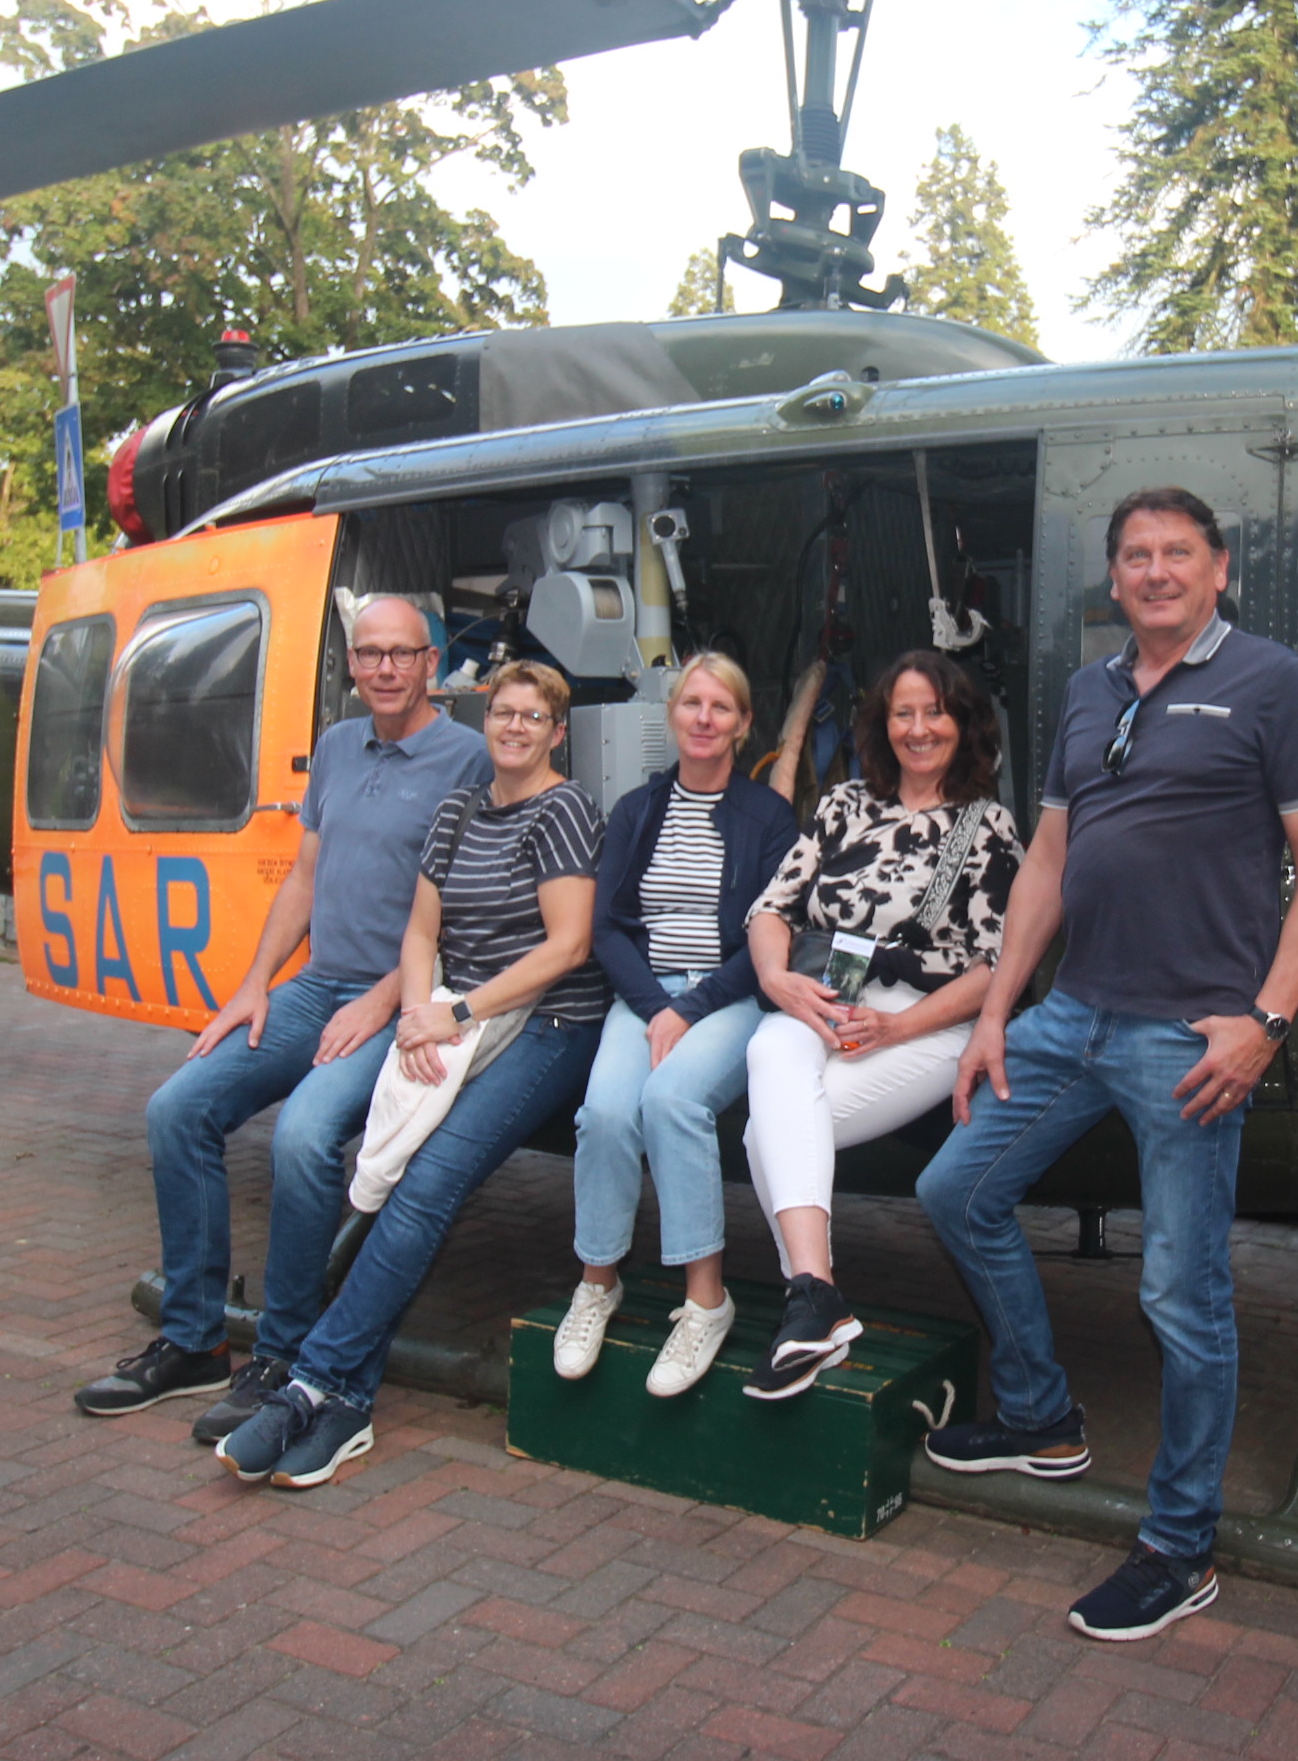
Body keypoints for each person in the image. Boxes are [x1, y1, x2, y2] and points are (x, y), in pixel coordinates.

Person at [915, 489, 1298, 1644]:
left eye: (1178, 554)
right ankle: (1040, 1417)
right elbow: (1049, 859)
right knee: (956, 1191)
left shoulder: (1271, 682)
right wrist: (1001, 1009)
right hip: (1076, 1015)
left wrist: (1266, 1020)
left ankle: (1179, 1543)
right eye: (1135, 556)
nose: (1156, 571)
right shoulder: (1088, 689)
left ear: (1219, 569)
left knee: (1182, 1292)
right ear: (1114, 579)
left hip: (1191, 1035)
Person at [76, 593, 489, 1436]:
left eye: (402, 654)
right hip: (315, 985)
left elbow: (472, 909)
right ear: (352, 662)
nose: (383, 668)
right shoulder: (337, 747)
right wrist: (254, 983)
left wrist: (388, 1000)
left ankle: (284, 1354)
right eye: (368, 652)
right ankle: (192, 1342)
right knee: (177, 1109)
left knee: (304, 1139)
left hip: (400, 997)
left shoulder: (470, 760)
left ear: (432, 665)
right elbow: (304, 875)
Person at [215, 662, 609, 1488]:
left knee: (430, 1181)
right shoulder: (458, 808)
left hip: (547, 1022)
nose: (513, 728)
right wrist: (415, 1013)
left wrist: (456, 1015)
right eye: (501, 712)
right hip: (449, 1011)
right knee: (388, 1174)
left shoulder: (565, 808)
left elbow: (567, 947)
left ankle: (314, 1386)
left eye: (533, 718)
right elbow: (420, 927)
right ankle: (340, 1397)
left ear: (556, 734)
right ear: (485, 717)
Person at [736, 650, 1025, 1401]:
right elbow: (773, 908)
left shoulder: (987, 827)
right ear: (883, 722)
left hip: (927, 1020)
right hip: (832, 988)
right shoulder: (843, 806)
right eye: (904, 712)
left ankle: (811, 1303)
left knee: (765, 1132)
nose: (919, 728)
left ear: (963, 725)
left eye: (935, 712)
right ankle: (816, 1295)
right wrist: (777, 978)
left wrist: (897, 1030)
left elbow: (997, 967)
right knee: (772, 1046)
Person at [556, 652, 799, 1398]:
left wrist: (690, 1008)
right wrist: (657, 1007)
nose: (704, 718)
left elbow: (769, 928)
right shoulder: (635, 809)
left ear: (743, 723)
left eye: (721, 707)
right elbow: (606, 928)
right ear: (673, 715)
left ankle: (705, 1300)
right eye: (692, 703)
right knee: (603, 1115)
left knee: (672, 1102)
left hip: (728, 997)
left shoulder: (768, 816)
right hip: (646, 995)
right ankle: (598, 1281)